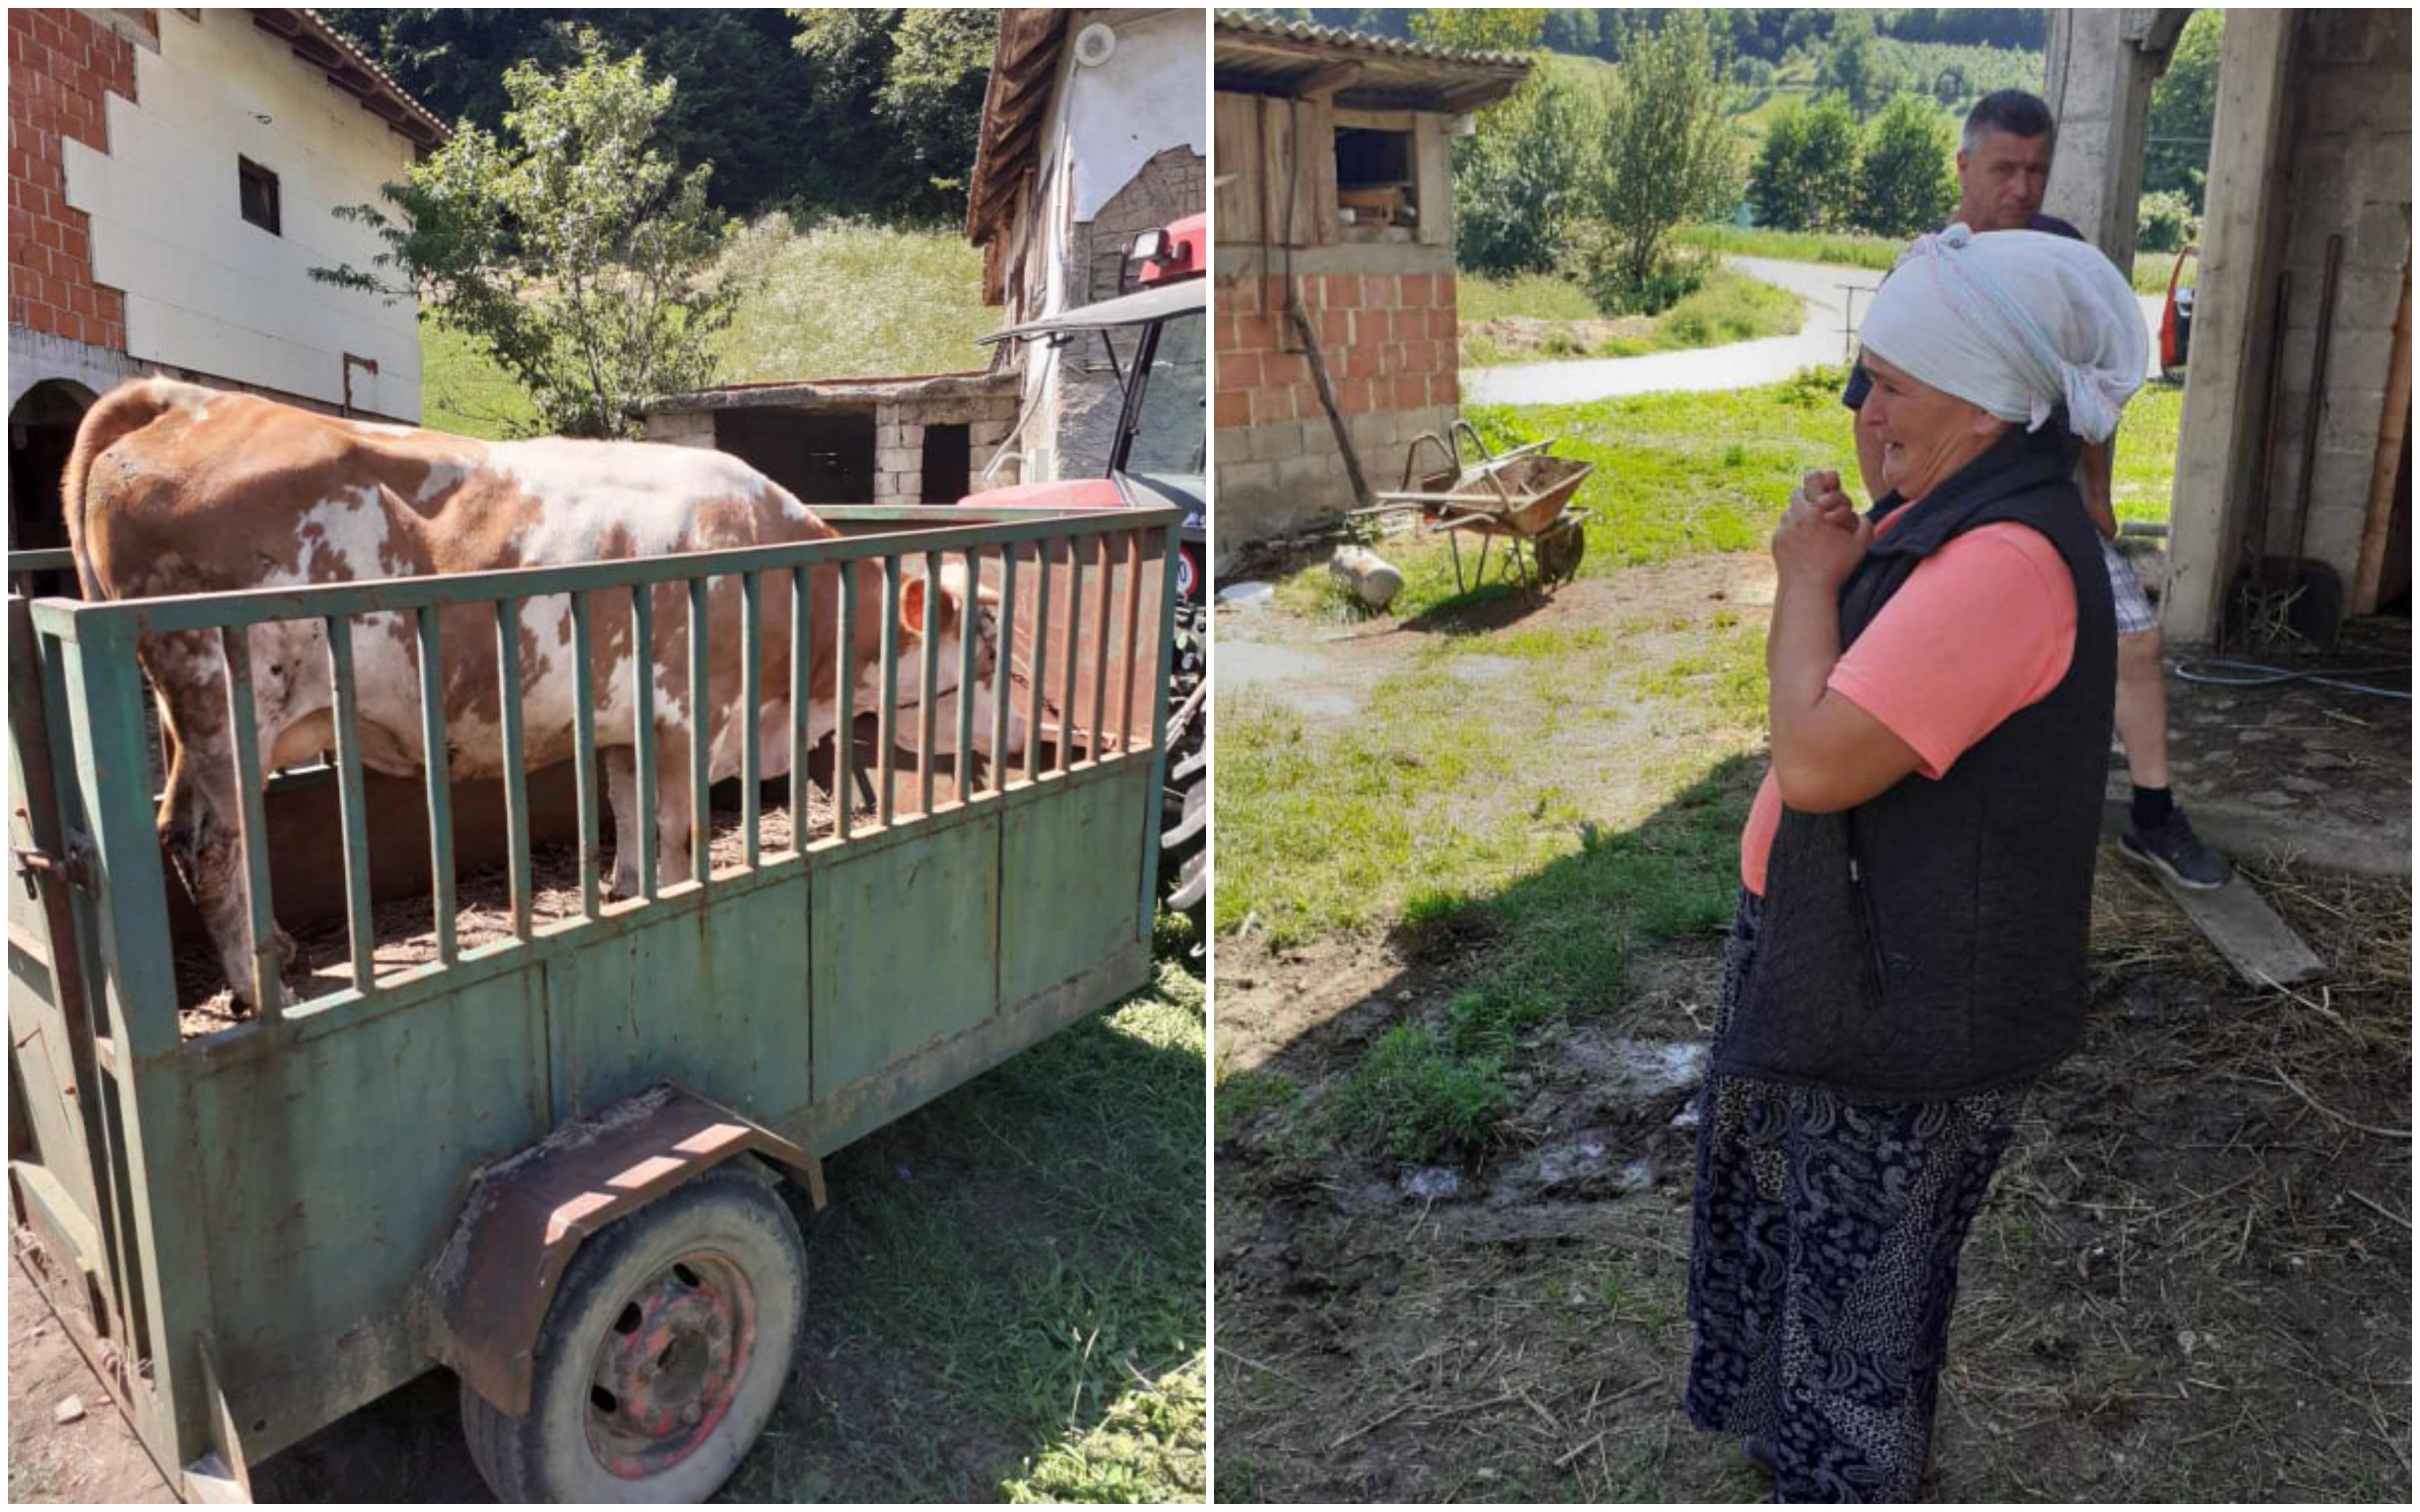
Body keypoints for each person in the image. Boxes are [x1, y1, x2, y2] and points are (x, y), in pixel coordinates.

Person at [1685, 224, 2146, 1503]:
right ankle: (1798, 1455)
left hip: (1913, 1000)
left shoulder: (2003, 560)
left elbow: (1822, 760)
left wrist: (1802, 581)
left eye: (1888, 382)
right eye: (1860, 375)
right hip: (1853, 965)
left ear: (1990, 401)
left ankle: (1845, 1481)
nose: (1859, 408)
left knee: (1861, 1299)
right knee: (1801, 1246)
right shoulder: (1946, 514)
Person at [1842, 89, 2230, 890]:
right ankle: (1894, 818)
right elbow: (1871, 405)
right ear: (1964, 167)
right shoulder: (1932, 270)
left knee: (2135, 642)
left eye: (2037, 171)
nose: (2021, 189)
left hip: (2046, 503)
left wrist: (2097, 489)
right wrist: (1889, 503)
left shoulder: (2059, 255)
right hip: (1943, 501)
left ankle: (2152, 818)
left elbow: (2095, 396)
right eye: (2003, 169)